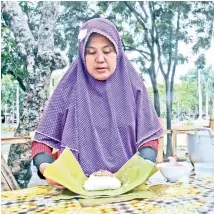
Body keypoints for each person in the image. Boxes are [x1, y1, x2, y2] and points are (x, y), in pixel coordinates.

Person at [31, 18, 163, 189]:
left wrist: (143, 165)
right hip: (75, 189)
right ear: (82, 55)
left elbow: (149, 139)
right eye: (91, 52)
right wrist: (47, 169)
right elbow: (43, 142)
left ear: (118, 53)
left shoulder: (133, 87)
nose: (100, 59)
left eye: (107, 51)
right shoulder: (68, 89)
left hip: (127, 188)